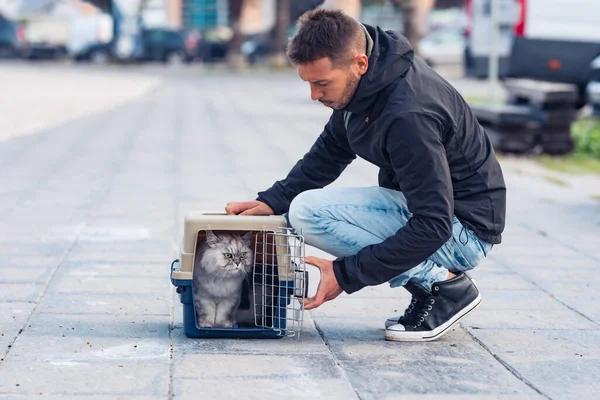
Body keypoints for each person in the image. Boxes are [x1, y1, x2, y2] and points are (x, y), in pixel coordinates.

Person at [225, 8, 506, 342]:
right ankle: (436, 283)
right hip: (442, 216)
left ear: (359, 63)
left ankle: (444, 288)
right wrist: (272, 201)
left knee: (308, 213)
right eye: (309, 83)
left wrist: (345, 275)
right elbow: (330, 151)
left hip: (464, 232)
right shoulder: (366, 84)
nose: (314, 95)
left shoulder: (408, 115)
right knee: (297, 208)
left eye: (322, 83)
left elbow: (434, 223)